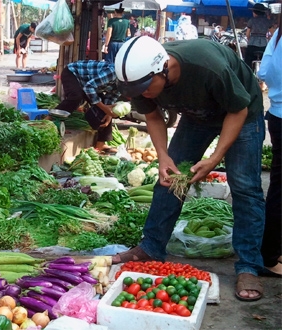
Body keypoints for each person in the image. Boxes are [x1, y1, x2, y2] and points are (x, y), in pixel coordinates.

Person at [113, 36, 265, 302]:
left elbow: (238, 110)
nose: (144, 95)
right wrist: (162, 156)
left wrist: (215, 158)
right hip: (198, 116)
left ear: (164, 69)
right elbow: (152, 116)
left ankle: (249, 265)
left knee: (245, 187)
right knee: (170, 177)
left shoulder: (207, 66)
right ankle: (151, 247)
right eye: (138, 91)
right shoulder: (140, 80)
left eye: (147, 88)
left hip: (242, 111)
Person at [257, 19, 281, 277]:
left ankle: (274, 251)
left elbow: (263, 73)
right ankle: (269, 256)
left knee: (278, 187)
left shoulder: (276, 37)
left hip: (276, 113)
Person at [56, 61, 119, 152]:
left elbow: (109, 102)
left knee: (103, 113)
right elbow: (89, 87)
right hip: (73, 73)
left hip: (89, 83)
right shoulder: (113, 73)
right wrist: (103, 107)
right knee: (76, 97)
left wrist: (109, 113)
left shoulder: (123, 86)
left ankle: (100, 145)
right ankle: (51, 119)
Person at [244, 3, 272, 70]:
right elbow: (272, 33)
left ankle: (248, 74)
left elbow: (247, 34)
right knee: (265, 61)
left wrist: (249, 40)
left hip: (252, 43)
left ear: (255, 12)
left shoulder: (251, 20)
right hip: (264, 44)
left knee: (247, 61)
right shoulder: (267, 21)